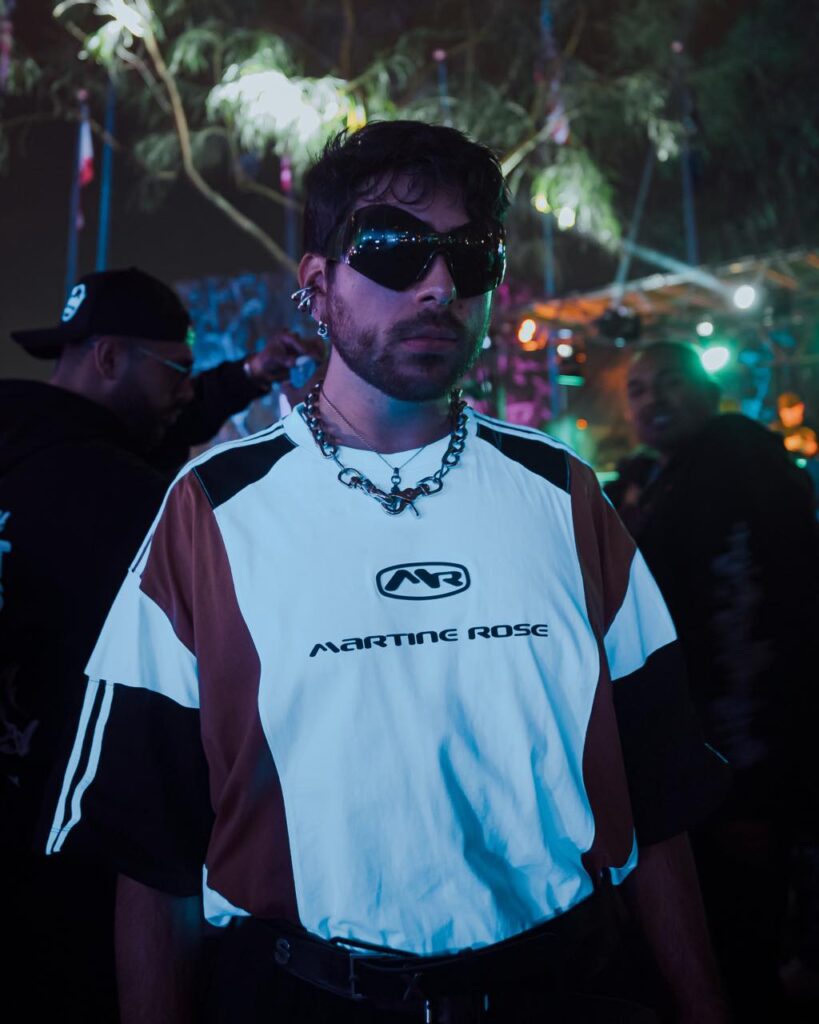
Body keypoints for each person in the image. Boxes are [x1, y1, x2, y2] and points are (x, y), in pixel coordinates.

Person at [46, 124, 729, 1024]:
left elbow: (660, 796)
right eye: (394, 249)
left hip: (562, 985)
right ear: (318, 284)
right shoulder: (212, 511)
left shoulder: (561, 495)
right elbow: (150, 852)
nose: (439, 284)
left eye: (470, 256)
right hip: (303, 998)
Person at [0, 266, 322, 1021]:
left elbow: (143, 432)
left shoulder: (29, 439)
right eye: (177, 369)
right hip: (73, 848)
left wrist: (245, 376)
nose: (186, 390)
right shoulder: (121, 496)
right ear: (110, 358)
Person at [617, 341, 819, 1021]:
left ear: (709, 392)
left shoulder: (736, 461)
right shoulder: (666, 476)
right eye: (639, 389)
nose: (654, 399)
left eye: (671, 382)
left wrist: (748, 787)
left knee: (739, 954)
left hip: (739, 765)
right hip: (703, 762)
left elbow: (753, 625)